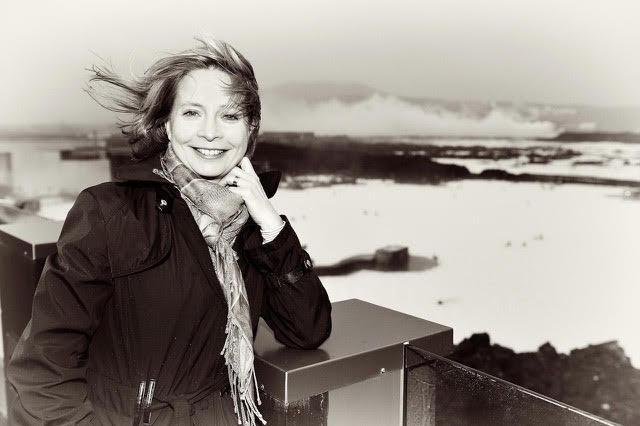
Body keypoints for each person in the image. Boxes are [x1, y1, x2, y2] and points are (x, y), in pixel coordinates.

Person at [7, 37, 332, 426]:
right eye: (192, 113)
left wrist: (273, 226)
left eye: (229, 116)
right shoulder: (111, 212)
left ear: (250, 129)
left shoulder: (248, 226)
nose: (210, 133)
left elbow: (308, 330)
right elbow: (41, 372)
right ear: (166, 124)